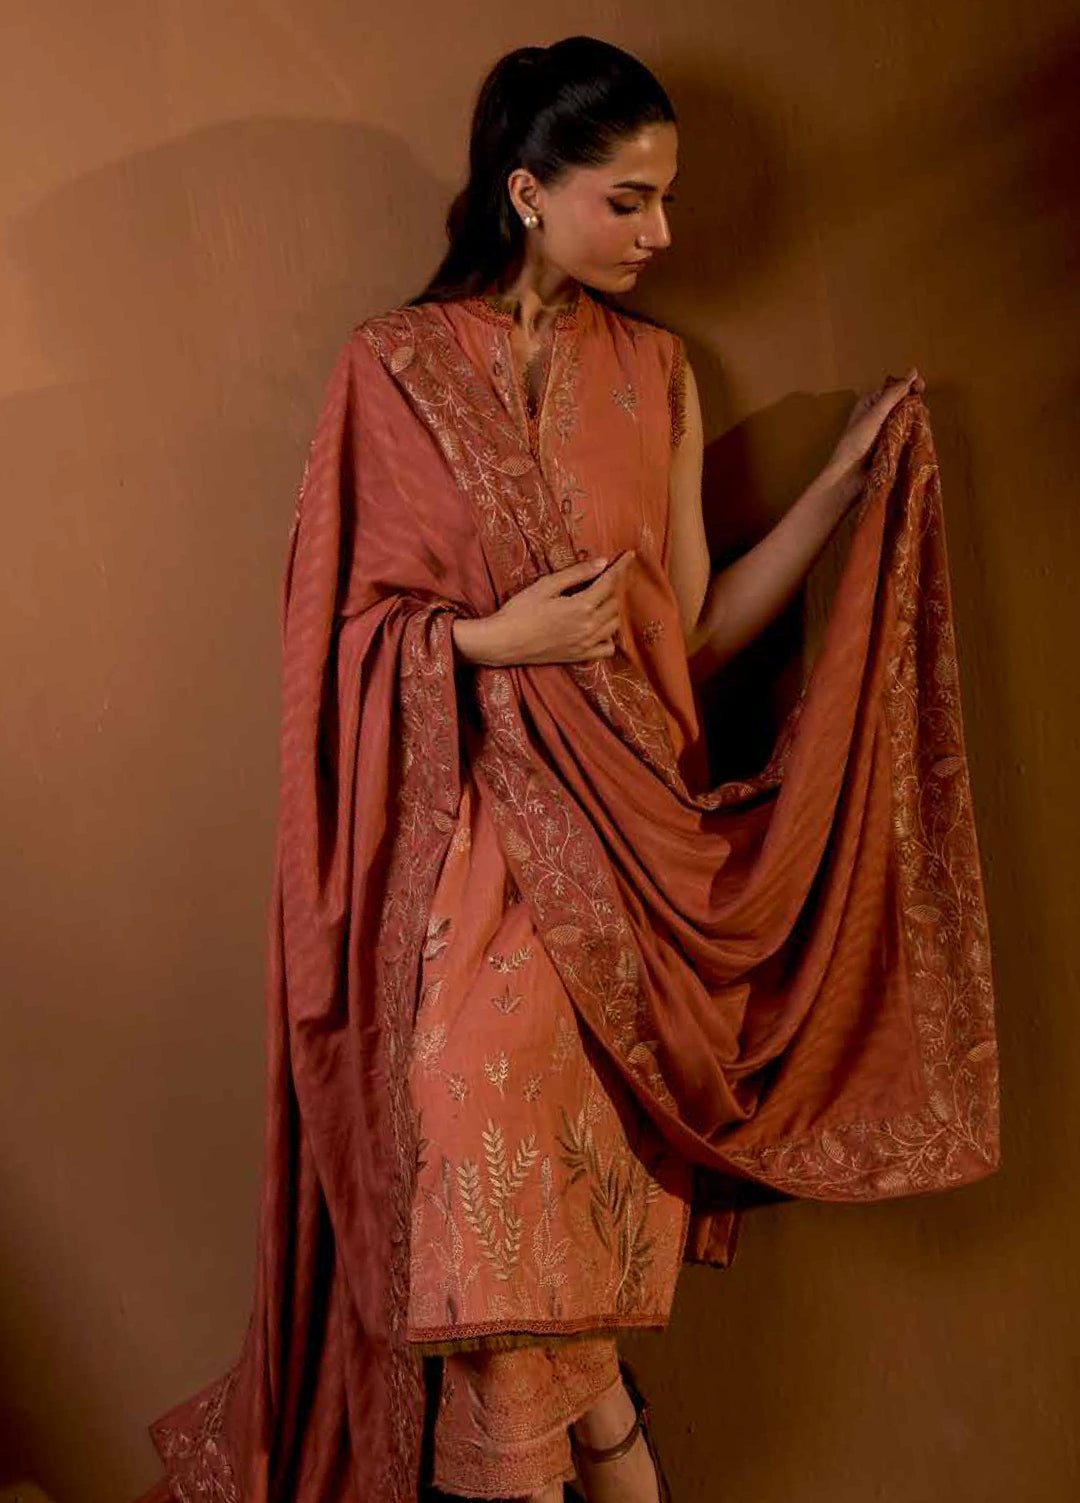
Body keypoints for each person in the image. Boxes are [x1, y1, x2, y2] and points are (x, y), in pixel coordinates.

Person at [145, 34, 999, 1503]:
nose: (662, 232)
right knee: (495, 1244)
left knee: (534, 1289)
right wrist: (489, 641)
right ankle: (605, 1447)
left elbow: (695, 626)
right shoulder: (393, 369)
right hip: (453, 866)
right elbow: (324, 637)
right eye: (631, 199)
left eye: (666, 199)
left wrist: (840, 490)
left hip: (624, 882)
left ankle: (595, 1448)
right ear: (529, 192)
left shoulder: (656, 373)